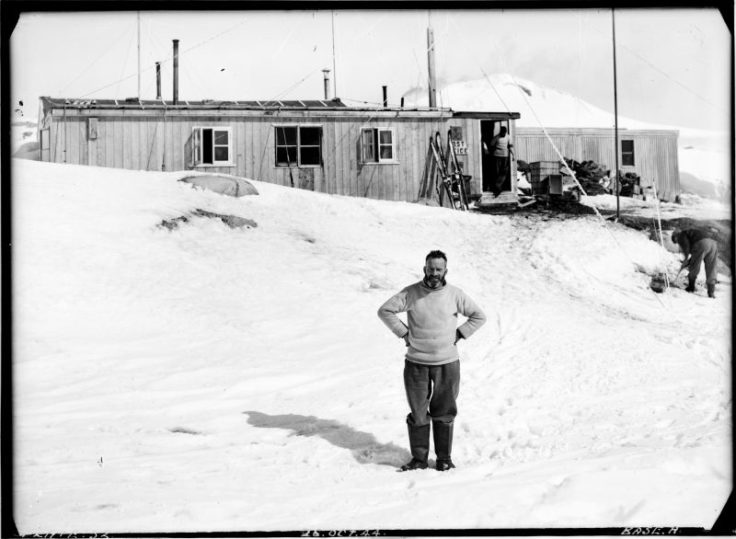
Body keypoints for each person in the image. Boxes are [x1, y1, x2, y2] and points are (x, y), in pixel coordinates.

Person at [377, 250, 487, 472]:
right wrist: (404, 333)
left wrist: (460, 333)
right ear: (424, 268)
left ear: (445, 270)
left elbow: (478, 316)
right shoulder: (411, 293)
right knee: (418, 411)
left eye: (438, 269)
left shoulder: (455, 294)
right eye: (430, 268)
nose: (434, 272)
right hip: (416, 362)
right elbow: (385, 310)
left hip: (447, 363)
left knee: (445, 410)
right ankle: (419, 459)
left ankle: (444, 458)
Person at [671, 228, 719, 298]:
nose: (678, 243)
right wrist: (689, 260)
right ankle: (711, 292)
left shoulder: (681, 235)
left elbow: (686, 250)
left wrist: (685, 261)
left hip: (702, 244)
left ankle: (691, 287)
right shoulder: (691, 232)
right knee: (711, 267)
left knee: (694, 266)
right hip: (713, 244)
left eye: (676, 241)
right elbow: (694, 254)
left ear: (676, 236)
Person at [483, 126, 514, 197]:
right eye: (502, 132)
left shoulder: (508, 137)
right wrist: (492, 153)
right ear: (500, 132)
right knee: (497, 171)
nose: (503, 134)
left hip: (505, 156)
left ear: (506, 132)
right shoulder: (496, 137)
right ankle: (496, 187)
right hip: (497, 156)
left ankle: (498, 186)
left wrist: (513, 155)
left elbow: (510, 146)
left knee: (503, 171)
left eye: (504, 132)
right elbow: (491, 145)